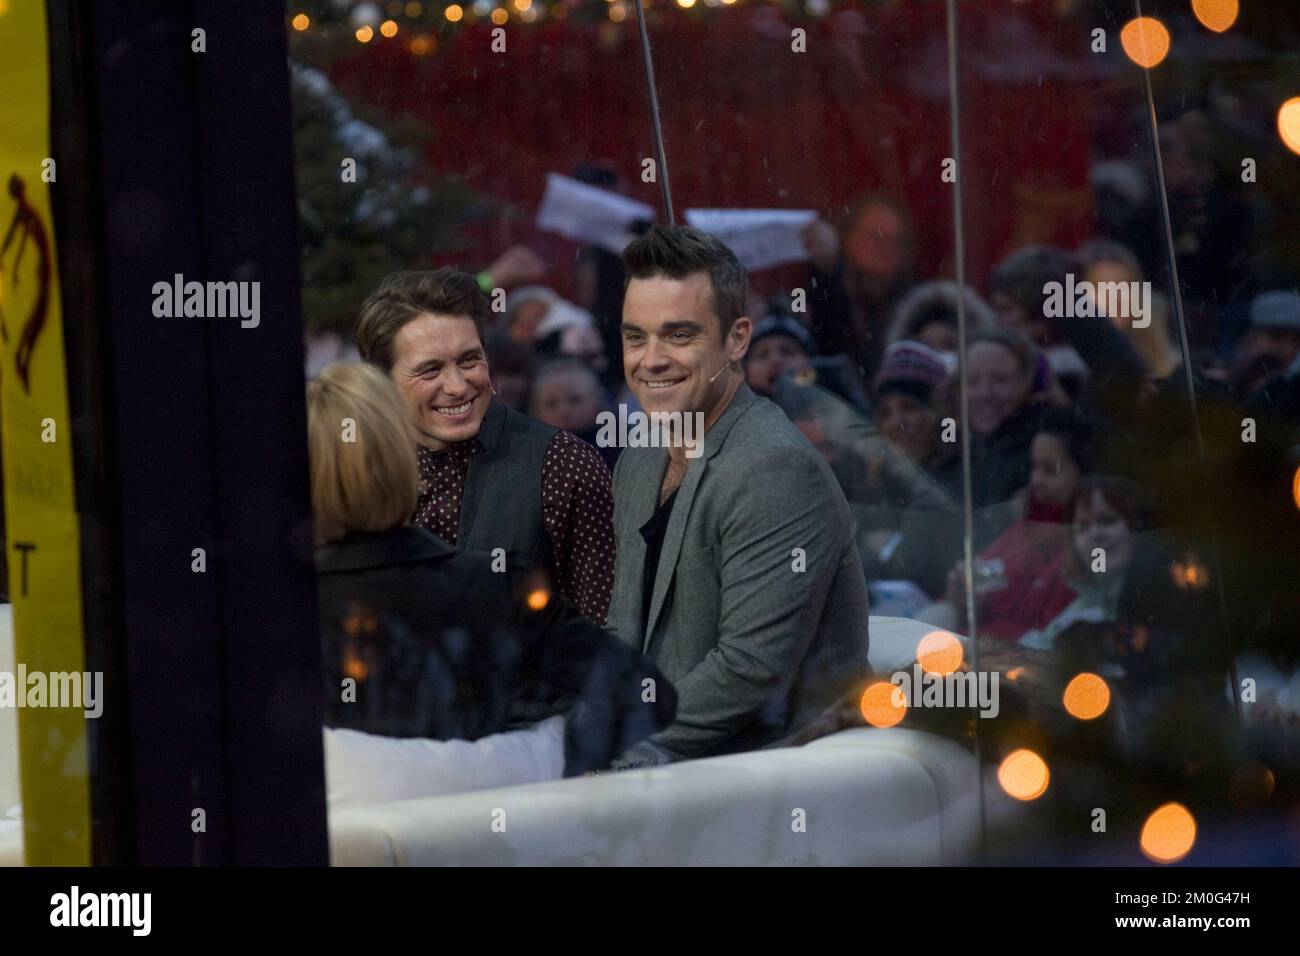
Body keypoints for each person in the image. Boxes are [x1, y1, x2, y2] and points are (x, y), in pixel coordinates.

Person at [307, 362, 675, 777]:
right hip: (488, 832)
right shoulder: (498, 588)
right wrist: (530, 760)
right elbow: (643, 694)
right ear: (401, 457)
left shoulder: (266, 617)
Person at [606, 224, 871, 768]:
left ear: (736, 339)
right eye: (636, 337)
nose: (650, 360)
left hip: (768, 776)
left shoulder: (774, 467)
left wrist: (617, 749)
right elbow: (621, 628)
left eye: (678, 335)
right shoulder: (640, 455)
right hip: (663, 757)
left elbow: (749, 670)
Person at [354, 268, 616, 623]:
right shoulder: (358, 472)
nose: (458, 386)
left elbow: (606, 635)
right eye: (430, 370)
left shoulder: (563, 464)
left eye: (469, 360)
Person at [1018, 476, 1145, 652]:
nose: (1095, 534)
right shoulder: (1084, 605)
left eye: (1108, 520)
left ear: (1137, 527)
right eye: (1083, 527)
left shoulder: (1159, 598)